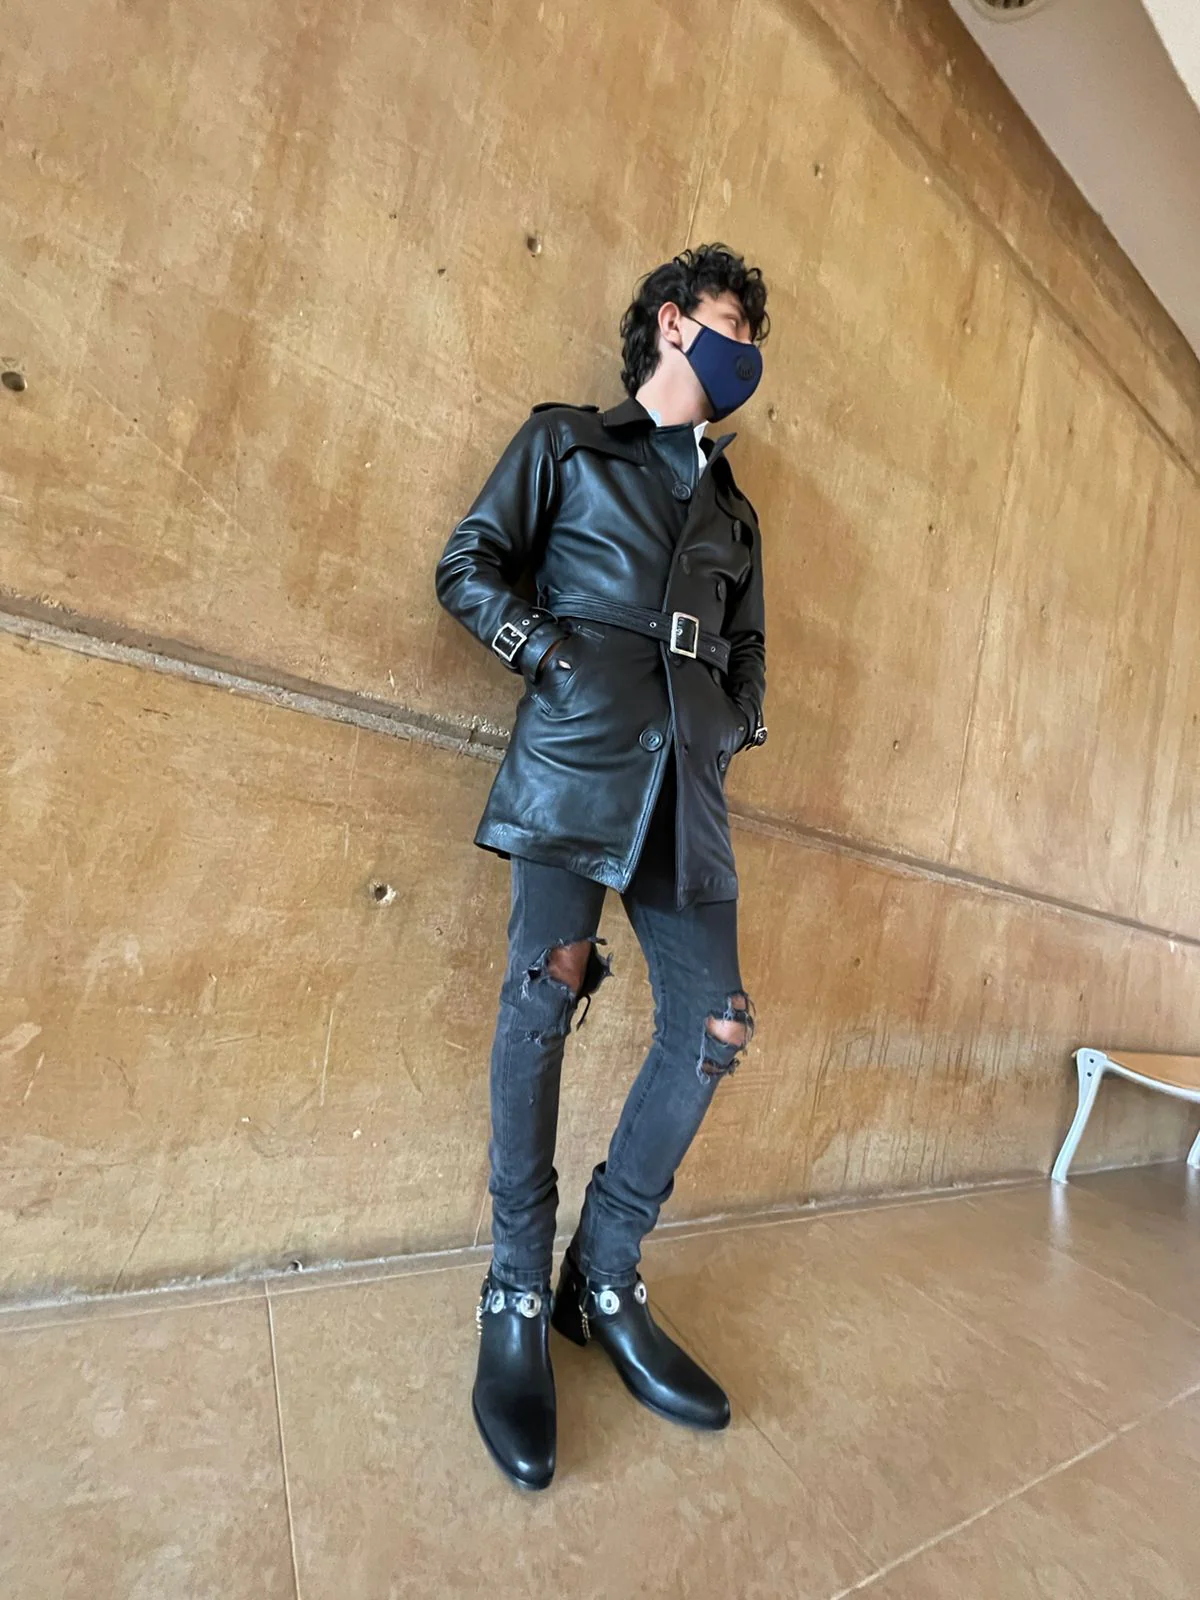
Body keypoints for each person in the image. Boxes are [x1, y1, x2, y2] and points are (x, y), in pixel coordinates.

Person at [436, 244, 769, 1490]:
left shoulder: (735, 513)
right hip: (576, 754)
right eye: (732, 324)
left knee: (715, 1024)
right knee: (545, 994)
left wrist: (727, 726)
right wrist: (553, 658)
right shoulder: (568, 444)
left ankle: (604, 1274)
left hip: (689, 781)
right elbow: (467, 566)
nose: (746, 352)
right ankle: (518, 1288)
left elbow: (751, 660)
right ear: (674, 325)